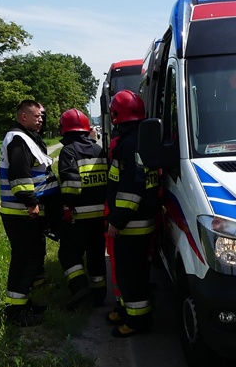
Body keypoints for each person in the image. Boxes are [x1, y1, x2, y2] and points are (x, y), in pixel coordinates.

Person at [0, 100, 60, 326]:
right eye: (36, 116)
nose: (41, 119)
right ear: (23, 117)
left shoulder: (26, 138)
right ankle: (15, 313)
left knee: (31, 259)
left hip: (25, 213)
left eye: (41, 116)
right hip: (21, 213)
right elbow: (19, 175)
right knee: (23, 260)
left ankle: (23, 303)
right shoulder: (18, 140)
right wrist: (31, 202)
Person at [106, 90, 160, 337]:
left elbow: (131, 187)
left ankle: (137, 322)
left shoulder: (128, 144)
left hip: (132, 223)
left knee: (131, 274)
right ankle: (128, 312)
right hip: (140, 219)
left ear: (116, 114)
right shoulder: (142, 139)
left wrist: (117, 220)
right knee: (131, 272)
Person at [56, 108, 108, 309]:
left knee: (68, 254)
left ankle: (79, 287)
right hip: (99, 218)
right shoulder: (100, 151)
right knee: (96, 256)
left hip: (78, 217)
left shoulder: (68, 151)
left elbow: (71, 185)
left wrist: (65, 205)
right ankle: (99, 296)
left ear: (65, 130)